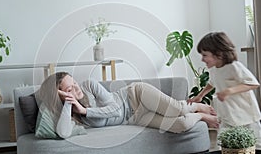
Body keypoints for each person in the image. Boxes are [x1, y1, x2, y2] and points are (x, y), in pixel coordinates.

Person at [35, 72, 219, 139]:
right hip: (135, 118)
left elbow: (114, 109)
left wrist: (85, 110)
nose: (76, 88)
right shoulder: (73, 116)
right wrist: (68, 102)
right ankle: (200, 115)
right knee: (182, 125)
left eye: (74, 83)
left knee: (178, 110)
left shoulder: (89, 86)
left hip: (136, 96)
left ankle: (194, 106)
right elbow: (63, 132)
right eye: (70, 89)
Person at [187, 32, 261, 150]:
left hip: (246, 115)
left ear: (219, 54)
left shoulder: (234, 67)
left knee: (255, 144)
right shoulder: (214, 69)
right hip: (228, 114)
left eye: (205, 55)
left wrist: (228, 91)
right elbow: (212, 83)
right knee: (223, 144)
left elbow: (252, 83)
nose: (202, 59)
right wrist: (200, 96)